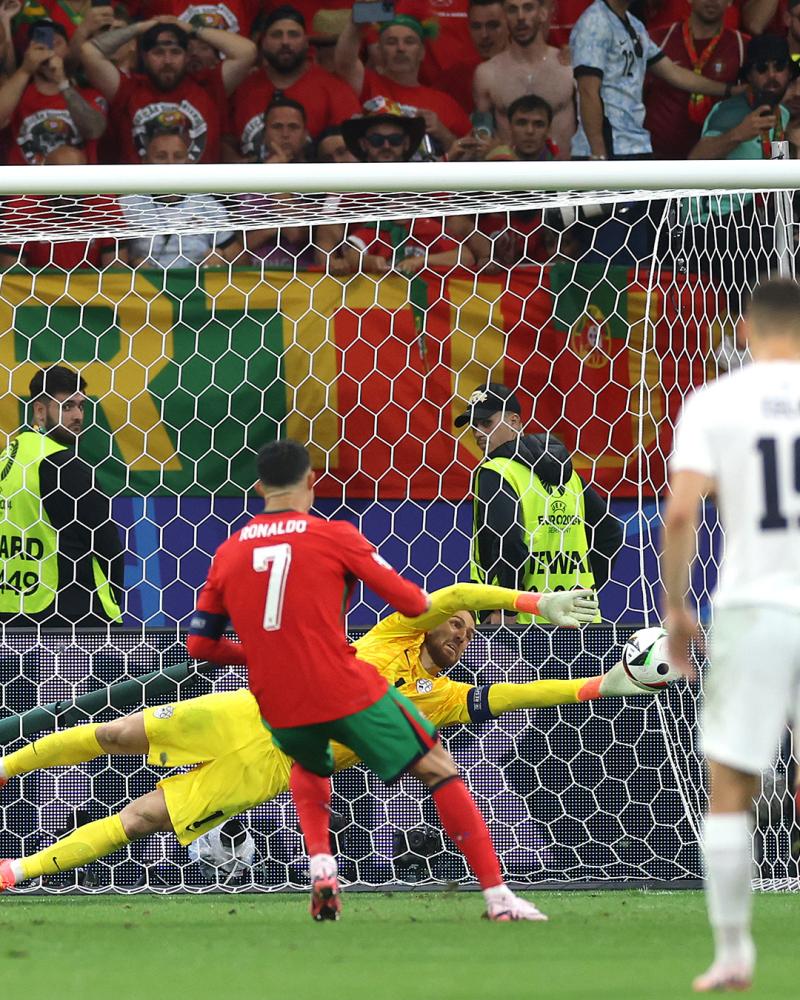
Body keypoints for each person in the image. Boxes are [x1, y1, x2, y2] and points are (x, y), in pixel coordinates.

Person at [0, 581, 645, 896]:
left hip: (271, 766)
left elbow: (511, 695)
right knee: (114, 732)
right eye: (455, 626)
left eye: (472, 633)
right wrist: (534, 604)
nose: (461, 633)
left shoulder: (443, 699)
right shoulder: (395, 635)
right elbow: (449, 592)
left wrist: (600, 685)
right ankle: (9, 763)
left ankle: (16, 871)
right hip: (250, 710)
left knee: (142, 818)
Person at [186, 439, 551, 921]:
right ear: (311, 481)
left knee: (311, 767)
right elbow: (416, 605)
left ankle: (320, 863)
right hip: (342, 683)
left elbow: (201, 648)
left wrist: (261, 653)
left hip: (279, 699)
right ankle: (499, 898)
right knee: (439, 768)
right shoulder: (334, 535)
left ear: (259, 488)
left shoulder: (229, 552)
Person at [661, 278, 800, 992]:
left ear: (745, 330)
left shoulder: (713, 402)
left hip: (754, 606)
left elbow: (681, 512)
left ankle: (733, 953)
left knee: (731, 788)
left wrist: (678, 608)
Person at [457, 383, 622, 623]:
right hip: (578, 618)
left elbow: (508, 539)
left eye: (486, 423)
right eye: (474, 426)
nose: (478, 433)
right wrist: (583, 589)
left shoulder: (496, 471)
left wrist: (506, 609)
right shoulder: (570, 475)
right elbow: (611, 533)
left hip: (526, 620)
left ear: (514, 421)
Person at [0, 365, 124, 629]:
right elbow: (107, 545)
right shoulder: (64, 466)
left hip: (12, 610)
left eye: (81, 406)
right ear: (40, 411)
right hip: (69, 616)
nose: (78, 415)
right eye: (67, 407)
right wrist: (115, 601)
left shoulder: (8, 457)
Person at [570, 0, 734, 159]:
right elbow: (587, 90)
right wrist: (598, 153)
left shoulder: (635, 25)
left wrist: (730, 90)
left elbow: (673, 72)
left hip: (635, 144)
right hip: (606, 147)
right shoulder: (595, 22)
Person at [80, 17, 256, 163]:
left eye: (175, 52)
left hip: (198, 198)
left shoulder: (208, 86)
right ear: (144, 57)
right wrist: (141, 27)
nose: (167, 60)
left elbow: (247, 51)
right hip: (139, 198)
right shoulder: (128, 88)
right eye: (158, 53)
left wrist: (192, 29)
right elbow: (89, 51)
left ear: (187, 56)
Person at [334, 8, 471, 154]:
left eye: (409, 42)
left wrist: (444, 134)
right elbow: (345, 63)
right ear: (379, 51)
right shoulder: (368, 83)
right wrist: (356, 24)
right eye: (391, 42)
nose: (400, 48)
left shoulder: (445, 103)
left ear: (422, 52)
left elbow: (473, 154)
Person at [231, 5, 359, 161]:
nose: (285, 42)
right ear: (263, 42)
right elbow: (225, 141)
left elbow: (350, 150)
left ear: (306, 41)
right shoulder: (242, 87)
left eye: (293, 35)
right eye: (276, 35)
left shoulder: (335, 89)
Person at [121, 129, 243, 268]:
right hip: (145, 287)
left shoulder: (209, 206)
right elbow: (113, 265)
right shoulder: (128, 205)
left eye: (178, 156)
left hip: (198, 285)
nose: (170, 164)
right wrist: (131, 264)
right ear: (145, 162)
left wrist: (222, 258)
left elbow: (241, 263)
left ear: (189, 162)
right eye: (161, 157)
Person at [644, 0, 747, 161]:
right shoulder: (656, 40)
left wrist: (784, 174)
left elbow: (778, 158)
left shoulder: (743, 47)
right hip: (658, 162)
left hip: (718, 165)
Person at [473, 0, 575, 158]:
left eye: (528, 8)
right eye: (512, 10)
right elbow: (481, 137)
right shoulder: (487, 74)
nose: (520, 17)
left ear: (543, 13)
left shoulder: (568, 68)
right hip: (510, 178)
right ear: (504, 16)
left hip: (564, 177)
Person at [0, 19, 106, 164]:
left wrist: (62, 82)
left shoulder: (89, 95)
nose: (50, 52)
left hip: (77, 184)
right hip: (26, 185)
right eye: (41, 46)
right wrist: (25, 70)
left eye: (56, 43)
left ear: (68, 49)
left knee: (66, 158)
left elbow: (94, 130)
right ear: (28, 52)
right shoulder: (15, 94)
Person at [424, 0, 509, 114]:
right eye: (476, 26)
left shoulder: (528, 71)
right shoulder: (456, 76)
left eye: (492, 25)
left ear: (510, 24)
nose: (484, 35)